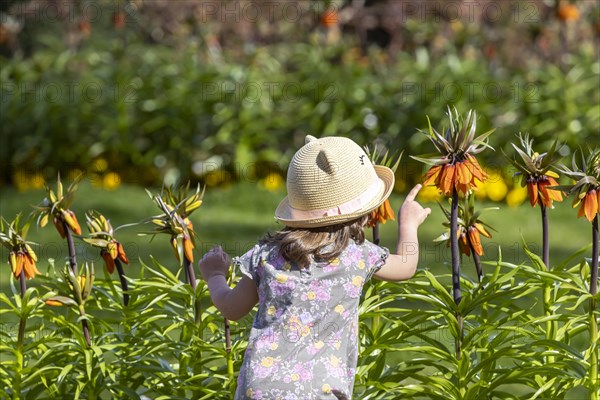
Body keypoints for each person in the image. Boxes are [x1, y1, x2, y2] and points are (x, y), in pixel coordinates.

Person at [199, 135, 431, 399]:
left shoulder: (268, 255)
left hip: (261, 389)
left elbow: (232, 308)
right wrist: (408, 224)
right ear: (365, 211)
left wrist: (215, 275)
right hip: (321, 391)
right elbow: (406, 265)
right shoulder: (357, 255)